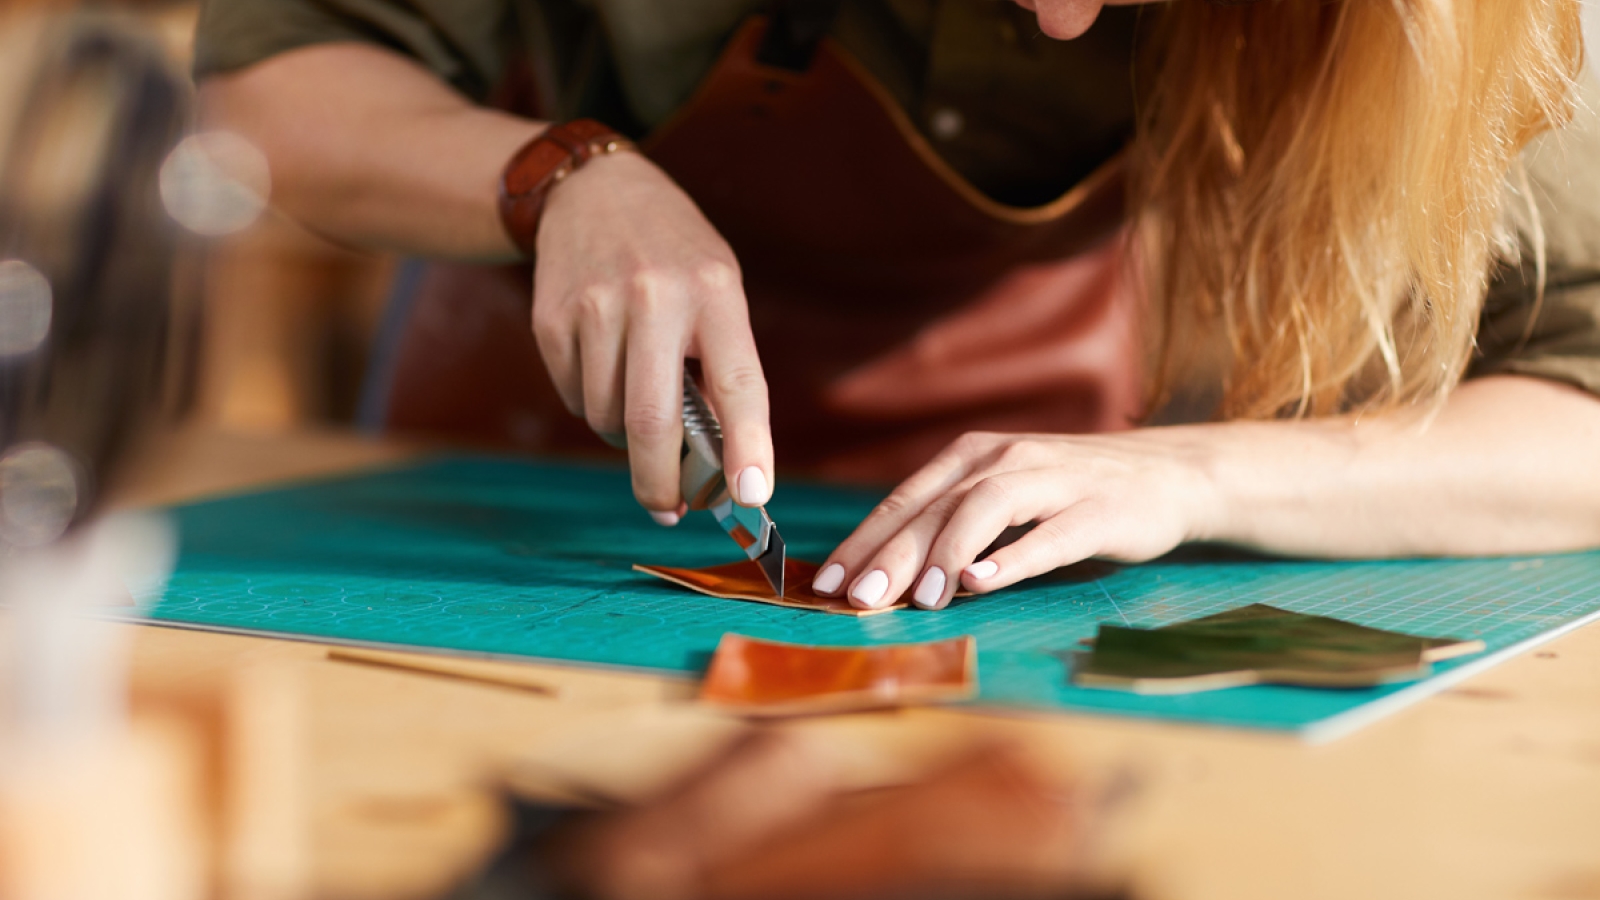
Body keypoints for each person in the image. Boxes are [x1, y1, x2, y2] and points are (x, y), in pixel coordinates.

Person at [195, 0, 1600, 613]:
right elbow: (263, 85)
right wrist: (557, 177)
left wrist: (1187, 473)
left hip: (1014, 573)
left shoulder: (1460, 20)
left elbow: (1581, 410)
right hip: (503, 500)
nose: (1063, 22)